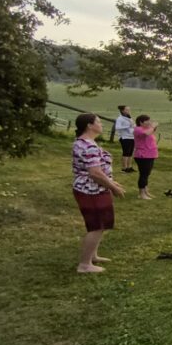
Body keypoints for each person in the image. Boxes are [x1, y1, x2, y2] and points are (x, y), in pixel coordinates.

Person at [72, 113, 125, 273]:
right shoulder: (89, 146)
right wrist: (113, 187)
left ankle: (92, 256)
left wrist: (111, 182)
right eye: (99, 122)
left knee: (99, 225)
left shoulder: (82, 142)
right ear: (89, 125)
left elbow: (97, 170)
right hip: (91, 191)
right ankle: (85, 264)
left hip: (90, 188)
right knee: (97, 225)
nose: (101, 124)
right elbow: (95, 173)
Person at [132, 114, 158, 200]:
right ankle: (141, 194)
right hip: (142, 155)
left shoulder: (147, 129)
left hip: (150, 155)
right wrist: (153, 126)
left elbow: (150, 132)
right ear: (141, 122)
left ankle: (146, 191)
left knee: (147, 174)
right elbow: (146, 133)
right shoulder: (138, 129)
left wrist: (153, 127)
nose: (149, 122)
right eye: (147, 121)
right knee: (143, 174)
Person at [113, 105, 135, 173]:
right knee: (126, 153)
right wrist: (128, 126)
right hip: (125, 137)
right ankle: (124, 168)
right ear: (122, 111)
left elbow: (133, 125)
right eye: (127, 110)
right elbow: (117, 127)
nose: (128, 111)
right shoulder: (120, 119)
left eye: (129, 110)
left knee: (130, 153)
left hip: (132, 137)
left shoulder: (129, 118)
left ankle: (129, 167)